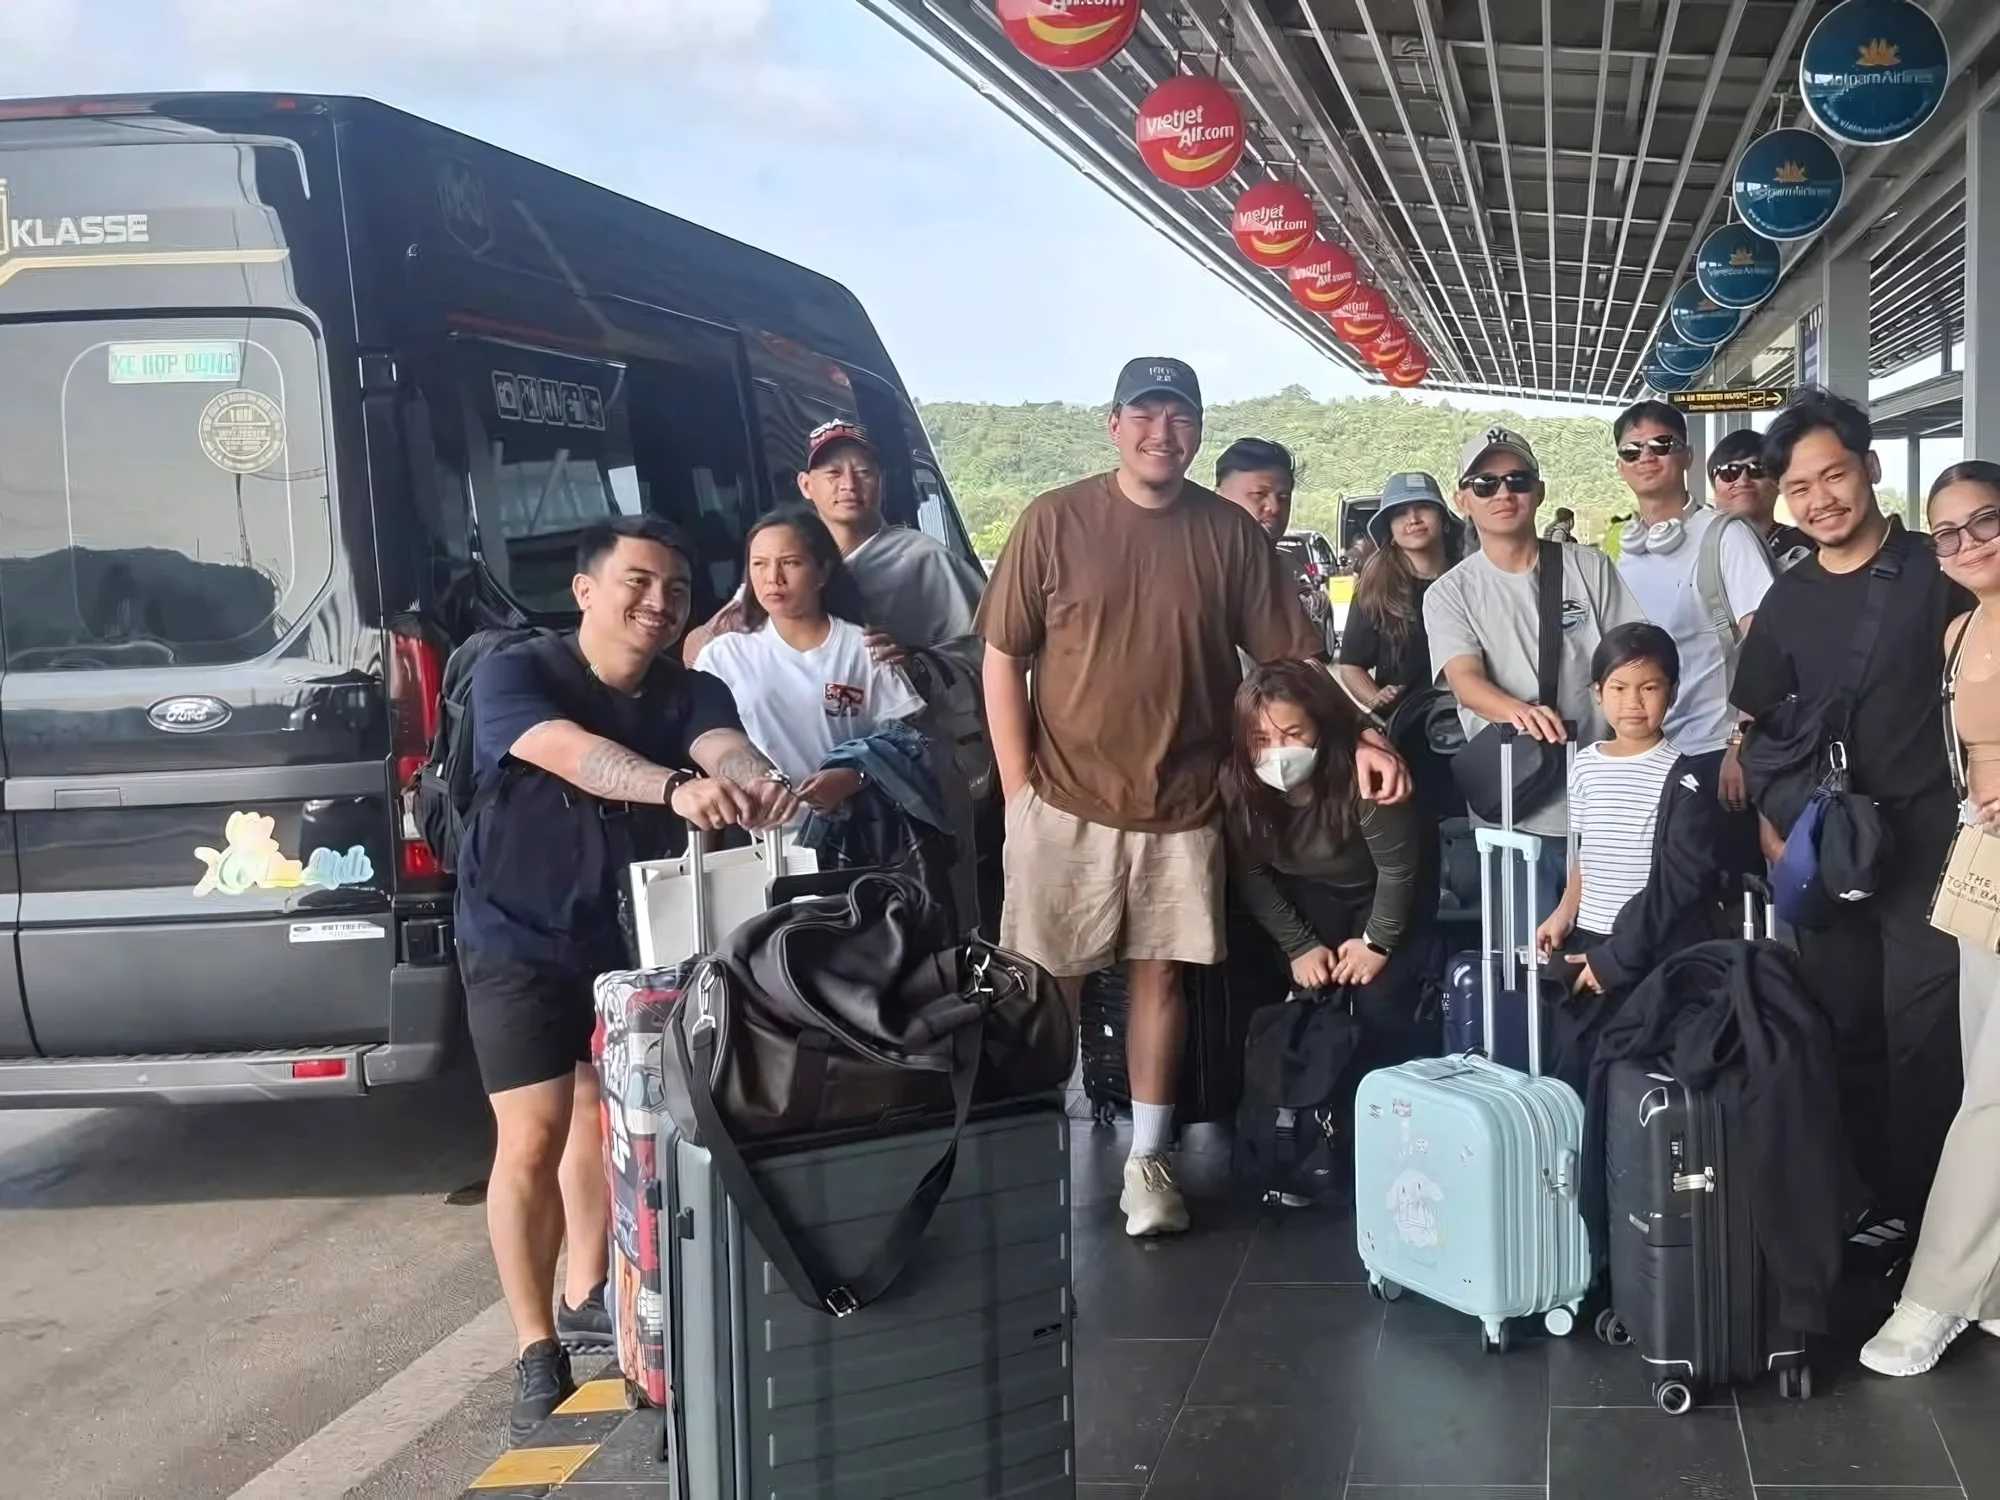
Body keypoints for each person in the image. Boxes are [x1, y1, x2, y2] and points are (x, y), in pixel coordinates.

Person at [978, 356, 1408, 1239]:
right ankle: (1025, 1157)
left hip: (1186, 802)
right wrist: (1018, 790)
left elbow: (1290, 665)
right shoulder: (1053, 521)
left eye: (1178, 418)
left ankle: (1148, 1160)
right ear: (1113, 424)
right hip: (1062, 799)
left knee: (1161, 981)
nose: (1160, 433)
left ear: (1197, 432)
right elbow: (1001, 658)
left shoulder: (1229, 534)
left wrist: (1364, 732)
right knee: (1045, 984)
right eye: (1145, 414)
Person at [454, 516, 794, 1443]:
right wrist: (672, 788)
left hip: (634, 937)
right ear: (586, 591)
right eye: (639, 583)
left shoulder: (691, 686)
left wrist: (756, 779)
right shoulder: (516, 671)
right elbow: (569, 751)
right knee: (531, 1134)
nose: (658, 603)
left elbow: (722, 742)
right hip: (515, 934)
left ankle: (590, 1290)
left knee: (612, 1112)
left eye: (676, 591)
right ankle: (535, 1348)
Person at [1731, 387, 1968, 1262]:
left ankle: (1936, 1215)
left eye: (1835, 475)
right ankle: (1871, 1204)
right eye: (1800, 487)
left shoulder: (1936, 570)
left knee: (1925, 1031)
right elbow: (1757, 717)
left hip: (1930, 843)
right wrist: (1771, 822)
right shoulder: (1788, 601)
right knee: (1845, 1024)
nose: (1821, 498)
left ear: (1869, 470)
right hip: (1829, 848)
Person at [1861, 461, 2000, 1376]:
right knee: (1978, 1068)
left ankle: (1938, 1294)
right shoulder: (1960, 628)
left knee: (1993, 1092)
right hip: (1980, 868)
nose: (1966, 544)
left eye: (1984, 522)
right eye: (1946, 533)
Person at [1425, 427, 1646, 918]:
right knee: (1522, 958)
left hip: (1601, 800)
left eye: (1517, 480)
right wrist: (1522, 714)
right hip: (1512, 805)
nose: (1503, 493)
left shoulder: (1589, 568)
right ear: (1463, 498)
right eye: (1484, 484)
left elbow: (1631, 657)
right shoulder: (1449, 593)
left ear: (1539, 491)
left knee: (1608, 948)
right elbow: (1464, 679)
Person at [1223, 661, 1427, 1089]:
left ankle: (1384, 1110)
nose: (1278, 753)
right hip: (1310, 896)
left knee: (1380, 1000)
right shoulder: (1236, 784)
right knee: (1310, 996)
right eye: (1261, 740)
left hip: (1381, 892)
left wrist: (1377, 943)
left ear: (1319, 725)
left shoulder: (1364, 773)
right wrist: (1299, 945)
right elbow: (1252, 874)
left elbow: (1398, 870)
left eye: (1293, 735)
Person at [1609, 399, 1771, 877]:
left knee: (1717, 907)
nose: (1647, 457)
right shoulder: (1622, 551)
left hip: (1713, 758)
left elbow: (1766, 644)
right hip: (1643, 758)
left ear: (1688, 456)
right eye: (1633, 450)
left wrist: (1741, 745)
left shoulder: (1725, 537)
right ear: (1620, 466)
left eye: (1662, 444)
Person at [1533, 624, 1722, 1016]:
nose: (1633, 702)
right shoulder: (1585, 765)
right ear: (1598, 693)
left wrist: (1617, 958)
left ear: (1672, 693)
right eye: (1619, 688)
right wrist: (1564, 913)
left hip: (1649, 944)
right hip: (1590, 937)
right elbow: (1588, 855)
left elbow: (1679, 884)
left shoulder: (1684, 777)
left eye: (1649, 688)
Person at [692, 506, 926, 816]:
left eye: (790, 563)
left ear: (822, 572)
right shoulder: (723, 656)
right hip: (761, 839)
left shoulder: (864, 649)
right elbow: (703, 749)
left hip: (858, 837)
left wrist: (854, 776)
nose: (773, 578)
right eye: (759, 564)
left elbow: (909, 742)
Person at [1339, 471, 1455, 716]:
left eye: (1424, 507)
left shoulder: (1471, 578)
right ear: (1389, 531)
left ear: (1444, 519)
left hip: (1471, 724)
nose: (1413, 519)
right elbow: (1351, 665)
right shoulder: (1375, 588)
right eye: (1400, 512)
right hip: (1404, 727)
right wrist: (1375, 698)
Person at [1214, 438, 1335, 652]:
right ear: (1218, 496)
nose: (1274, 508)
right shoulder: (1193, 564)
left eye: (1284, 497)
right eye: (1259, 494)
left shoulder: (1279, 569)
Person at [1709, 426, 1813, 572]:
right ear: (1714, 485)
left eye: (1757, 470)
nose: (1743, 481)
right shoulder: (1692, 544)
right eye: (1729, 472)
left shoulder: (1810, 545)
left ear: (1778, 482)